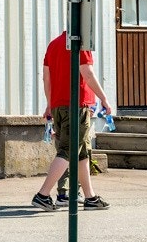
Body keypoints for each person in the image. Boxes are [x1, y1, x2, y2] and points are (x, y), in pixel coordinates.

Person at [32, 29, 114, 212]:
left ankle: (90, 197)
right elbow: (87, 73)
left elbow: (46, 78)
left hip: (58, 106)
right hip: (77, 105)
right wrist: (104, 98)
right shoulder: (80, 44)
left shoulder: (53, 45)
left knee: (81, 153)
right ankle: (43, 195)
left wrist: (49, 104)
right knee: (68, 150)